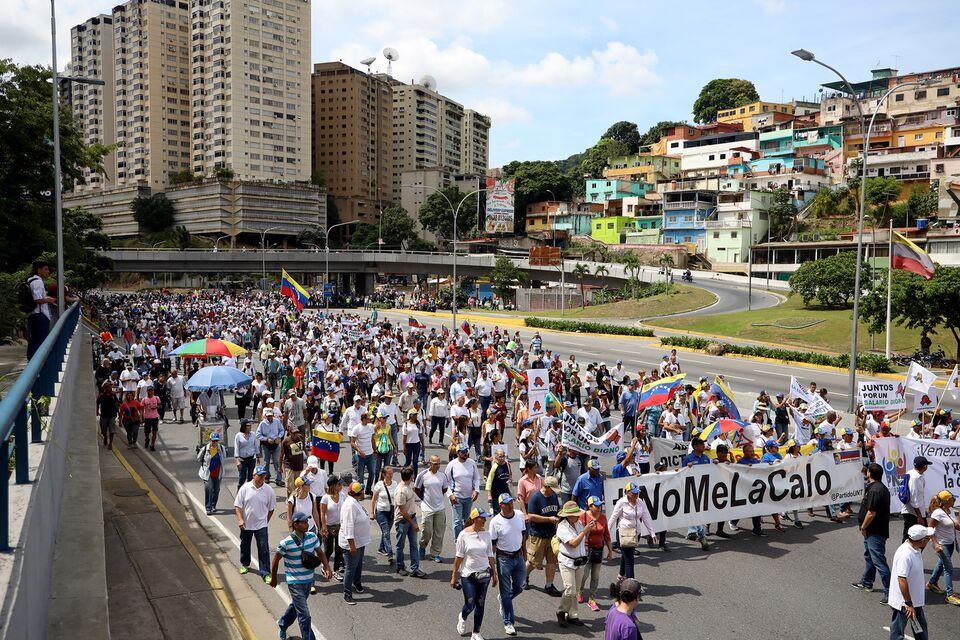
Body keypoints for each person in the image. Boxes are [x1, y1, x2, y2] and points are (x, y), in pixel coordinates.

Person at [269, 511, 332, 640]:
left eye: (307, 521)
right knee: (304, 615)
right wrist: (274, 578)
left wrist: (327, 567)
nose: (307, 524)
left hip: (309, 581)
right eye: (303, 522)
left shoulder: (312, 537)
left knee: (296, 606)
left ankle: (282, 624)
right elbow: (275, 560)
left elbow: (320, 553)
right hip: (295, 582)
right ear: (295, 524)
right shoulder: (286, 543)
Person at [451, 507, 497, 640]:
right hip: (468, 575)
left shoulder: (486, 534)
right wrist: (454, 576)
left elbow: (490, 554)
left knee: (480, 603)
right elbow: (458, 557)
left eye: (485, 518)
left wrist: (494, 574)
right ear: (474, 519)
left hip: (484, 574)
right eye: (481, 518)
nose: (484, 520)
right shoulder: (463, 535)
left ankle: (476, 633)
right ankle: (463, 616)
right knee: (470, 603)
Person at [887, 524, 935, 640]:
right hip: (904, 603)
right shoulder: (906, 554)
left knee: (920, 629)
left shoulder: (914, 549)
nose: (928, 541)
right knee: (898, 633)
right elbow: (902, 579)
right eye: (927, 539)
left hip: (914, 601)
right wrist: (908, 604)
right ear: (922, 540)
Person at [853, 462, 892, 600]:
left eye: (867, 471)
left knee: (879, 562)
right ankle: (867, 582)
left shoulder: (875, 490)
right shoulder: (879, 488)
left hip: (875, 532)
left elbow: (871, 513)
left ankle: (890, 593)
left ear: (870, 473)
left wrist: (863, 527)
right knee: (869, 557)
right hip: (873, 531)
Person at [489, 494, 526, 637]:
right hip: (503, 558)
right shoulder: (495, 522)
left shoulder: (519, 515)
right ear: (500, 506)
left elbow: (523, 534)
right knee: (505, 591)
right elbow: (492, 545)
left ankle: (503, 600)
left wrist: (525, 551)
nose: (510, 505)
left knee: (520, 585)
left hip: (518, 556)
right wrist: (491, 565)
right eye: (506, 503)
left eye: (511, 502)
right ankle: (508, 622)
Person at [234, 465, 276, 579]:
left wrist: (265, 521)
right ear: (254, 476)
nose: (262, 477)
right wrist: (240, 519)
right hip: (246, 524)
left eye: (264, 475)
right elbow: (237, 506)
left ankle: (266, 572)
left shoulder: (269, 490)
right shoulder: (245, 488)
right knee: (245, 545)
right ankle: (245, 564)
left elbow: (271, 509)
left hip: (261, 525)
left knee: (264, 549)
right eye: (260, 475)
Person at [525, 475, 562, 596]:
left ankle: (549, 585)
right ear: (546, 487)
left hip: (552, 535)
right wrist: (548, 519)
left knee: (552, 561)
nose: (554, 492)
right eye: (553, 489)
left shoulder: (554, 496)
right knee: (533, 561)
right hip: (538, 535)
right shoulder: (535, 497)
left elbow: (557, 510)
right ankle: (523, 577)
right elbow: (531, 516)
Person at [611, 481, 655, 580]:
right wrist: (606, 532)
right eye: (634, 493)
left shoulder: (640, 502)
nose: (636, 494)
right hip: (623, 533)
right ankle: (632, 582)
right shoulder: (621, 502)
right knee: (630, 558)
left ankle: (621, 575)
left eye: (637, 492)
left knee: (626, 555)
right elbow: (613, 517)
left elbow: (646, 516)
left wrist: (652, 533)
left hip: (635, 533)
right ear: (628, 493)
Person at [556, 500, 590, 627]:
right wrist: (585, 531)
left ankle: (572, 615)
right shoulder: (562, 527)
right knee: (570, 589)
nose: (578, 516)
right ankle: (561, 611)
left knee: (576, 591)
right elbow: (574, 543)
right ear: (568, 515)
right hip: (567, 561)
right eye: (575, 514)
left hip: (579, 561)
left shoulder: (579, 524)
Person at [339, 481, 371, 605]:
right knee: (350, 568)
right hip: (353, 544)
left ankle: (356, 583)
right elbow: (348, 527)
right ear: (359, 493)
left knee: (358, 565)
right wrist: (352, 546)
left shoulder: (355, 502)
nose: (364, 492)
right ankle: (347, 593)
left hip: (360, 541)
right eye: (363, 491)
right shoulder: (349, 506)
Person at [580, 496, 613, 612]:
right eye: (596, 505)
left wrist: (610, 551)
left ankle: (592, 598)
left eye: (600, 505)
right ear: (590, 506)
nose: (599, 507)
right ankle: (580, 590)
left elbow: (607, 535)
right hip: (586, 550)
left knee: (595, 576)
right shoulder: (583, 516)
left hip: (599, 551)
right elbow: (578, 533)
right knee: (584, 574)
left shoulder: (603, 518)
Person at [927, 490, 960, 605]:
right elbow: (929, 530)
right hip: (942, 544)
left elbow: (956, 526)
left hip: (950, 543)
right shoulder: (937, 513)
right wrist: (936, 544)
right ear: (947, 500)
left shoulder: (948, 510)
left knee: (941, 563)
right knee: (949, 568)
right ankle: (950, 595)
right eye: (953, 499)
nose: (954, 500)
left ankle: (932, 582)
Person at [394, 466, 426, 578]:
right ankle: (400, 567)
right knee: (400, 545)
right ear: (410, 477)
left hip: (411, 517)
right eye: (412, 475)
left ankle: (415, 569)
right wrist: (413, 523)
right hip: (403, 521)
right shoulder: (401, 491)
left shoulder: (407, 486)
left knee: (413, 545)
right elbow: (402, 511)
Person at [416, 454, 450, 562]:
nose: (438, 466)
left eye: (439, 463)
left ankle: (435, 553)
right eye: (435, 464)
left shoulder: (442, 476)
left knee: (439, 532)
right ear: (429, 464)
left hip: (440, 508)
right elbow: (417, 489)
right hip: (427, 508)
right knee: (427, 531)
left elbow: (444, 489)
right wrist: (424, 499)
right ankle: (422, 546)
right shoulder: (422, 475)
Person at [446, 443, 482, 540]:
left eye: (466, 451)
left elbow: (476, 478)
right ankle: (458, 541)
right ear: (458, 453)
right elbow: (446, 482)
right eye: (463, 452)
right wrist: (450, 495)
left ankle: (465, 539)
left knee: (466, 520)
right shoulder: (451, 465)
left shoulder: (472, 463)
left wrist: (477, 490)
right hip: (456, 498)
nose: (466, 454)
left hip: (469, 497)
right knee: (457, 521)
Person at [25, 260, 54, 360]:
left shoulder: (30, 280)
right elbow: (37, 299)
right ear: (39, 270)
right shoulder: (38, 281)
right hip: (40, 315)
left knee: (33, 341)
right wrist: (49, 299)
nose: (48, 271)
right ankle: (39, 367)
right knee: (41, 343)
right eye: (45, 269)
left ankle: (32, 364)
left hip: (33, 314)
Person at [370, 466, 397, 565]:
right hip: (381, 512)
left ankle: (381, 548)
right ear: (384, 474)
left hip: (391, 512)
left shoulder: (395, 484)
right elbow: (373, 499)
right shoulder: (379, 485)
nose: (391, 475)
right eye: (389, 473)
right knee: (386, 533)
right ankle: (390, 554)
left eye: (392, 473)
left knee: (386, 532)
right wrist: (372, 513)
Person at [320, 476, 344, 581]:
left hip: (340, 527)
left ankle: (336, 571)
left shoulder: (342, 495)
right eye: (339, 484)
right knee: (328, 550)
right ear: (333, 486)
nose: (341, 486)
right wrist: (324, 527)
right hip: (329, 527)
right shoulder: (325, 498)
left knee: (339, 550)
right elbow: (322, 512)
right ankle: (325, 565)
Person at [901, 456, 930, 541]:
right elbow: (914, 498)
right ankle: (905, 553)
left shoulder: (916, 474)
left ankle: (915, 553)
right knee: (911, 537)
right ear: (925, 466)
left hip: (917, 511)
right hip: (912, 512)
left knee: (921, 536)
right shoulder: (914, 478)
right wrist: (919, 516)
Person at [197, 432, 225, 515]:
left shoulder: (221, 448)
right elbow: (199, 458)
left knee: (216, 490)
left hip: (218, 473)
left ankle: (213, 506)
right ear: (210, 440)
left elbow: (224, 457)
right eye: (213, 441)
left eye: (216, 441)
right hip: (207, 474)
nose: (215, 442)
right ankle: (208, 508)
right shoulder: (205, 449)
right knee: (208, 489)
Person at [257, 407, 284, 486]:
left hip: (276, 443)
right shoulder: (262, 424)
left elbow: (282, 430)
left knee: (277, 462)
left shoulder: (277, 421)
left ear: (273, 415)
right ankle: (266, 477)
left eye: (271, 416)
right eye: (268, 416)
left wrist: (279, 437)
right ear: (266, 416)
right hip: (266, 445)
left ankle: (278, 479)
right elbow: (258, 434)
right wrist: (266, 439)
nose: (270, 417)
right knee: (266, 462)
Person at [279, 424, 307, 498]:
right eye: (293, 433)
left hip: (300, 466)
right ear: (290, 433)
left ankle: (297, 501)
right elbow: (281, 455)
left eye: (296, 432)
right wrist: (280, 467)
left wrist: (309, 458)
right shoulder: (285, 442)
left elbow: (304, 448)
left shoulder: (300, 437)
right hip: (290, 467)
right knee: (290, 486)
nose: (295, 434)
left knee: (299, 485)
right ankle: (290, 500)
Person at [234, 418, 259, 491]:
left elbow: (256, 446)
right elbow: (236, 448)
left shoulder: (253, 434)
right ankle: (239, 494)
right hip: (242, 460)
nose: (250, 426)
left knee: (251, 477)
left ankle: (249, 493)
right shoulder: (238, 436)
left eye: (250, 425)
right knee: (242, 477)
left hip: (252, 459)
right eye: (248, 425)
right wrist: (237, 461)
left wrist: (258, 458)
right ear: (244, 426)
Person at [96, 380, 119, 450]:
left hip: (112, 415)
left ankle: (110, 443)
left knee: (112, 430)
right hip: (104, 415)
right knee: (103, 430)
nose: (111, 388)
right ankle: (105, 437)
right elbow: (97, 403)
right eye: (109, 386)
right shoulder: (101, 395)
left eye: (111, 386)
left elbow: (116, 403)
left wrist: (118, 412)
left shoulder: (113, 395)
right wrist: (96, 411)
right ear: (106, 387)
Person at [141, 385, 161, 450]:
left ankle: (152, 445)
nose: (150, 392)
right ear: (147, 391)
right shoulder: (144, 399)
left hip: (155, 417)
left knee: (154, 431)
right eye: (149, 390)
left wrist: (157, 407)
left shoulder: (157, 398)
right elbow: (141, 409)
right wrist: (142, 417)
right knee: (147, 432)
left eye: (152, 390)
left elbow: (160, 405)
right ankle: (147, 439)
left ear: (153, 391)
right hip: (147, 418)